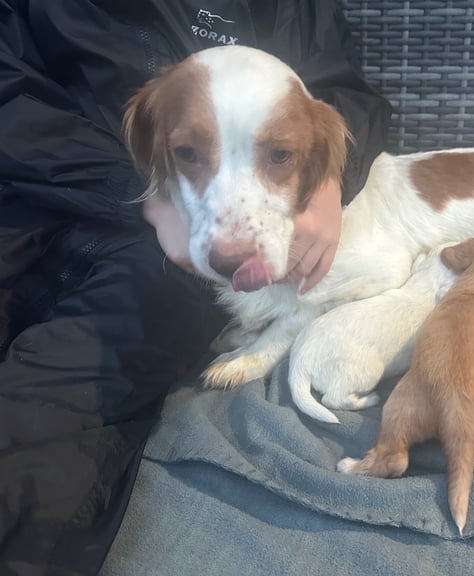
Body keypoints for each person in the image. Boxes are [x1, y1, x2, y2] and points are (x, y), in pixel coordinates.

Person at [0, 1, 392, 574]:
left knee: (50, 408)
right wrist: (146, 193)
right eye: (189, 150)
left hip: (168, 262)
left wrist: (332, 178)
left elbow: (346, 95)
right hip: (36, 199)